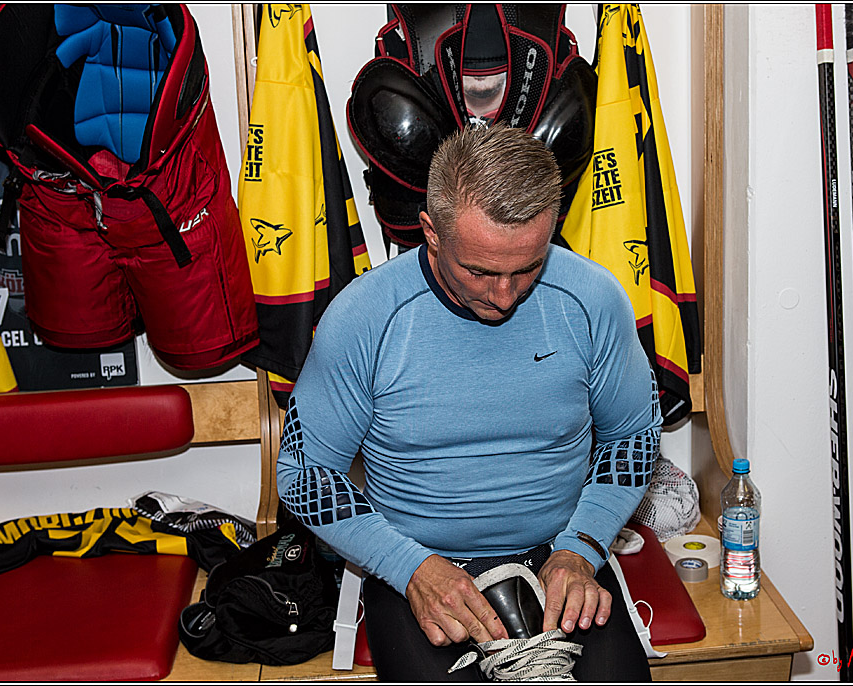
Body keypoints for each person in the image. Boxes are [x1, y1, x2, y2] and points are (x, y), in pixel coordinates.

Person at [276, 123, 661, 681]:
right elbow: (305, 476)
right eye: (480, 270)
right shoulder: (365, 318)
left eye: (528, 267)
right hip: (420, 564)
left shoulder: (593, 300)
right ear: (431, 233)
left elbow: (634, 437)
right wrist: (409, 569)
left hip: (562, 552)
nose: (503, 296)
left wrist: (581, 548)